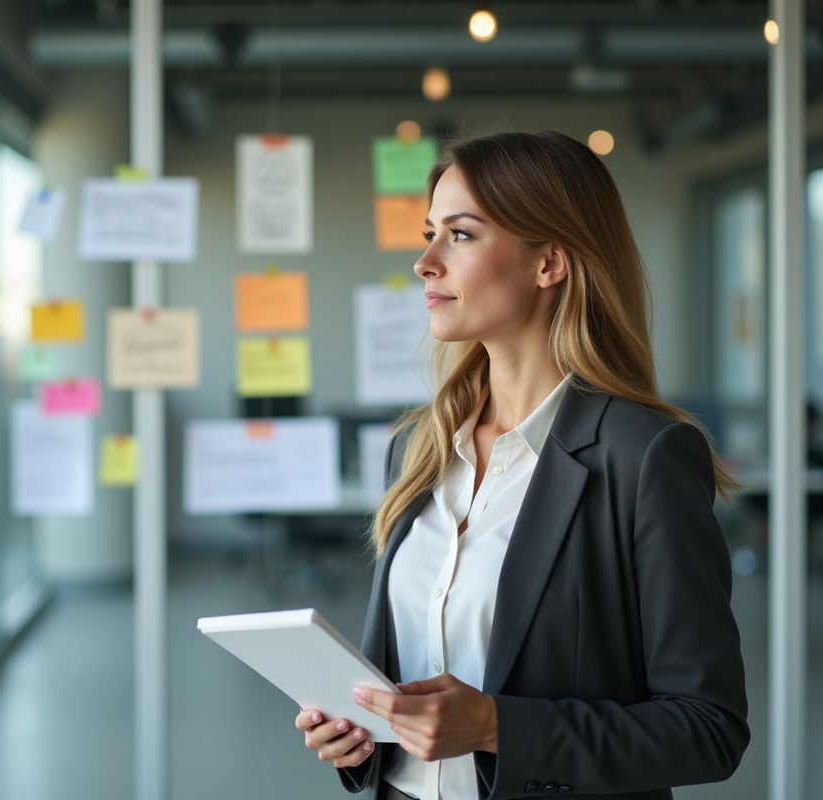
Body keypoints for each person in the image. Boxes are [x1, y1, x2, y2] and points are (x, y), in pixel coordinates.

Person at [294, 131, 749, 800]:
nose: (425, 262)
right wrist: (357, 732)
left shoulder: (644, 454)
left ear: (550, 264)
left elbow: (708, 728)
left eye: (461, 235)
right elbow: (403, 680)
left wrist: (495, 726)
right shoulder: (416, 447)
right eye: (429, 233)